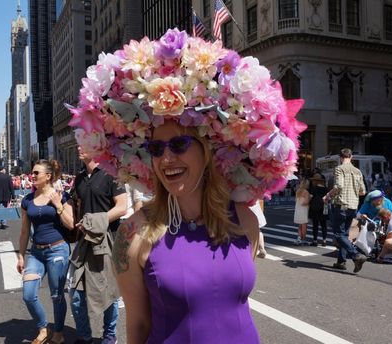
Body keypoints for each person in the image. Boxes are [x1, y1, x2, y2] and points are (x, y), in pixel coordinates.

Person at [67, 29, 306, 343]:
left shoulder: (245, 220)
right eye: (156, 149)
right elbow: (138, 326)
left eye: (179, 144)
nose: (166, 158)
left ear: (207, 149)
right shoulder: (133, 234)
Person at [69, 145, 127, 344]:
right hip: (84, 243)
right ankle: (84, 336)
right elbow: (72, 204)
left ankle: (109, 335)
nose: (78, 146)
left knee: (108, 292)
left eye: (83, 143)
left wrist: (95, 221)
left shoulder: (111, 173)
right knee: (76, 294)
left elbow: (122, 207)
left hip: (108, 240)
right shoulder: (78, 179)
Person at [17, 159, 74, 344]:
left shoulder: (61, 196)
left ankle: (58, 332)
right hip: (36, 252)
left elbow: (71, 224)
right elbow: (25, 231)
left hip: (58, 250)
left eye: (36, 173)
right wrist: (20, 255)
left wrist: (58, 205)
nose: (32, 176)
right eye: (32, 173)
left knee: (57, 296)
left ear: (48, 176)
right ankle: (44, 328)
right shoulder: (27, 200)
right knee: (28, 294)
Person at [324, 148, 367, 273]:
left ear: (341, 157)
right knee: (345, 234)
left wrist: (327, 196)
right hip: (353, 206)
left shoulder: (339, 168)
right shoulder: (358, 171)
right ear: (351, 157)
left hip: (342, 204)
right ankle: (341, 262)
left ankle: (355, 255)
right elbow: (362, 191)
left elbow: (339, 186)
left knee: (338, 234)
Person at [308, 173, 328, 247]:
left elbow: (310, 197)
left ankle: (315, 240)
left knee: (315, 225)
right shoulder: (325, 188)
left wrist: (307, 202)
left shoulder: (313, 188)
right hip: (323, 208)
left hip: (314, 208)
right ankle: (324, 240)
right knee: (323, 225)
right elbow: (328, 198)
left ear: (315, 181)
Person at [294, 178, 311, 245]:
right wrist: (310, 198)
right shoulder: (306, 192)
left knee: (300, 225)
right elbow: (305, 202)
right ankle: (303, 239)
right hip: (304, 210)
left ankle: (299, 238)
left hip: (298, 210)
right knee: (304, 225)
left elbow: (296, 201)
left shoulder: (298, 191)